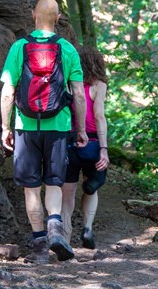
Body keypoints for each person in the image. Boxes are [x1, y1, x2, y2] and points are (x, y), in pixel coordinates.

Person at [0, 0, 88, 264]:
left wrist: (5, 126)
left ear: (33, 15)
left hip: (26, 126)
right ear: (59, 17)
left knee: (31, 188)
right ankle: (55, 229)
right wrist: (81, 129)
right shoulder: (68, 50)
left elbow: (8, 91)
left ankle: (39, 248)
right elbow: (79, 96)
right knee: (54, 184)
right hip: (59, 125)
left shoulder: (19, 47)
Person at [61, 45, 110, 249]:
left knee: (67, 194)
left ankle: (64, 237)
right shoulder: (99, 85)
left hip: (69, 142)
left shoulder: (68, 85)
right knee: (91, 187)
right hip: (91, 142)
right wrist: (104, 149)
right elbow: (99, 116)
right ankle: (88, 228)